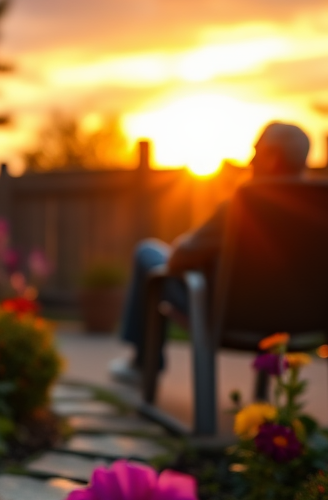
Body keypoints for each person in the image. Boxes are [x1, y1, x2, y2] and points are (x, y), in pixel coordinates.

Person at [110, 121, 312, 385]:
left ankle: (142, 365)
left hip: (224, 315)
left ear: (271, 157)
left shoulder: (242, 206)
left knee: (148, 253)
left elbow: (179, 258)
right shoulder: (319, 213)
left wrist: (193, 250)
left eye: (256, 151)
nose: (249, 159)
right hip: (296, 323)